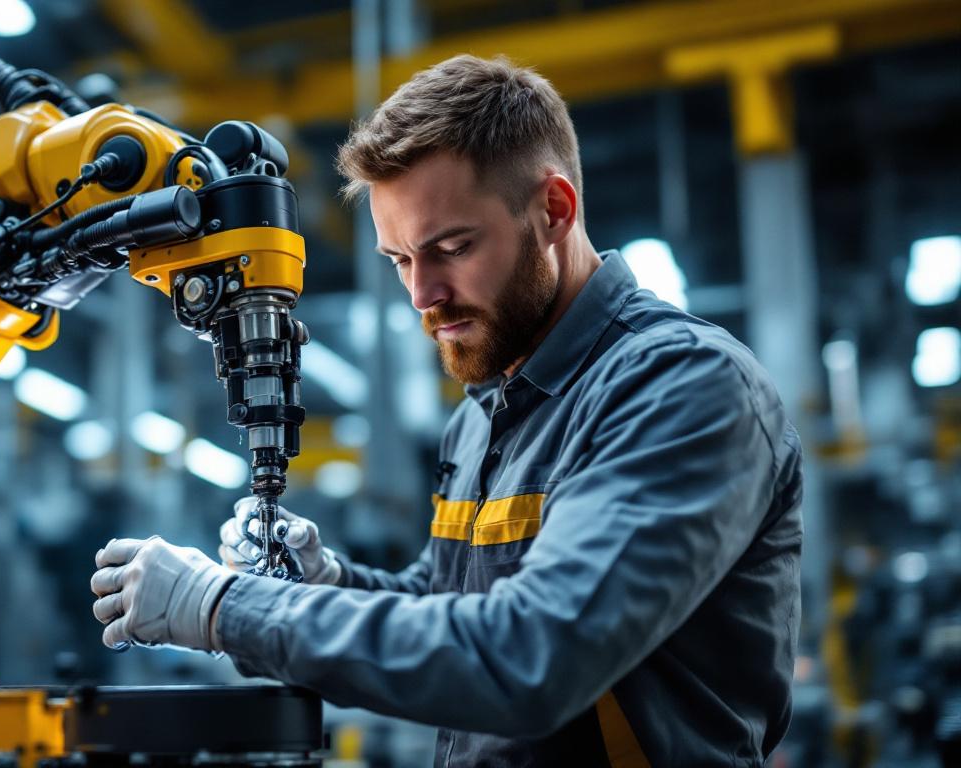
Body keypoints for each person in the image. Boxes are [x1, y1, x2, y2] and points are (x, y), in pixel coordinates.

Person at [90, 54, 803, 767]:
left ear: (554, 211)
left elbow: (527, 659)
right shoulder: (484, 413)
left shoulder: (680, 386)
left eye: (452, 248)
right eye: (400, 259)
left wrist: (224, 608)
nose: (421, 295)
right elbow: (450, 605)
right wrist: (329, 582)